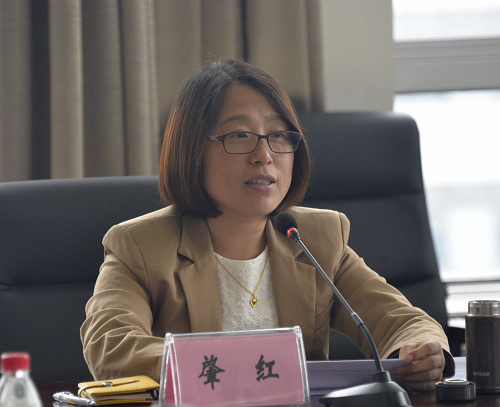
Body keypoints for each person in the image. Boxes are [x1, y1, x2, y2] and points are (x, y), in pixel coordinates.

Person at [81, 59, 454, 392]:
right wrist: (240, 365)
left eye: (278, 135)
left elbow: (402, 321)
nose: (264, 155)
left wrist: (420, 351)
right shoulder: (140, 246)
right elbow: (111, 347)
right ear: (192, 150)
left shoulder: (316, 239)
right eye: (239, 136)